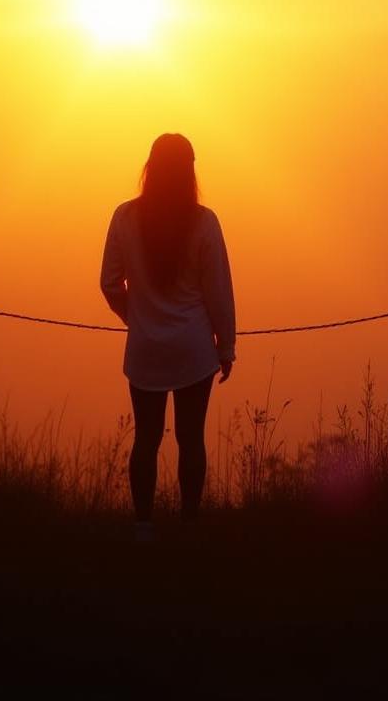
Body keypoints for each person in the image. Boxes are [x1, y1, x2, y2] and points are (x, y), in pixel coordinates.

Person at [100, 133, 235, 541]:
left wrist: (137, 318)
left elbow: (109, 283)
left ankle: (143, 527)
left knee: (146, 438)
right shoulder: (204, 222)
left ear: (150, 168)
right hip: (194, 352)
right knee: (191, 439)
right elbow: (219, 291)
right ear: (190, 171)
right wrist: (225, 345)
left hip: (145, 352)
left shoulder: (125, 217)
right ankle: (190, 525)